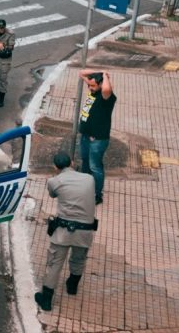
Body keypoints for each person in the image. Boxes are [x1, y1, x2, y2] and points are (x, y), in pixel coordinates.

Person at [34, 152, 97, 311]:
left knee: (55, 262)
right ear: (72, 162)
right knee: (79, 258)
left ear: (55, 167)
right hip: (85, 231)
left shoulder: (54, 181)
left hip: (63, 231)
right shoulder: (89, 179)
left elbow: (53, 194)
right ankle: (72, 287)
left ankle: (46, 300)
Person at [78, 69, 116, 205]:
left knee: (95, 167)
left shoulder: (106, 97)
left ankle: (96, 195)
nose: (90, 88)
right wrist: (100, 70)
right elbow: (81, 73)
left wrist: (105, 76)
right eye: (89, 85)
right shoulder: (94, 89)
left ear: (101, 84)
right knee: (85, 163)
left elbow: (106, 88)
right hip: (85, 136)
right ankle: (84, 189)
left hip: (97, 140)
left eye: (93, 86)